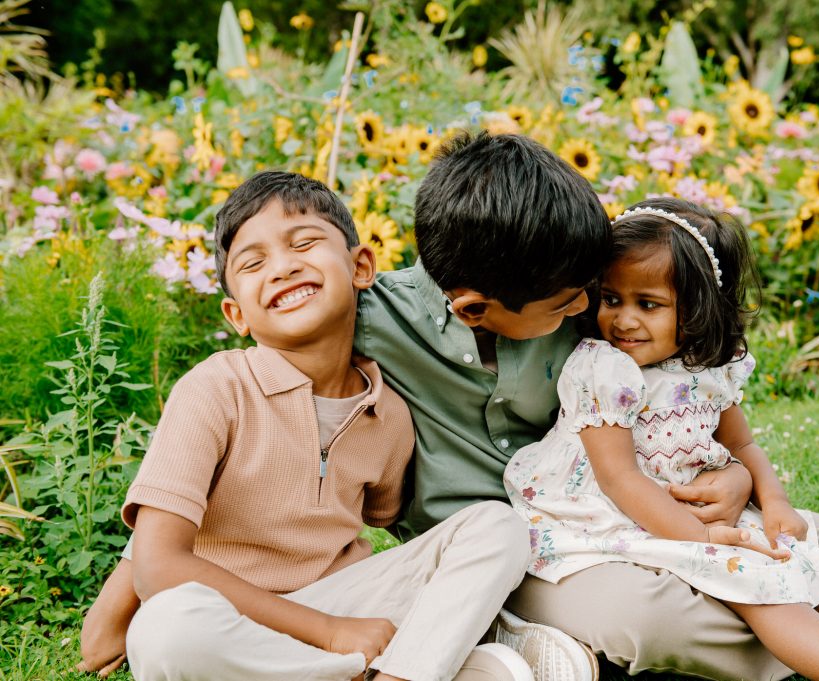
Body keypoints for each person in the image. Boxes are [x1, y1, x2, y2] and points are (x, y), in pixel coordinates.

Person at [80, 134, 819, 680]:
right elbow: (254, 392)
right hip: (514, 550)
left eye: (594, 294)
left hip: (620, 517)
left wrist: (734, 476)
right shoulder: (361, 320)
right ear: (473, 304)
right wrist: (137, 579)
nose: (591, 312)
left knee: (795, 535)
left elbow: (678, 394)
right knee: (658, 623)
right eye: (570, 304)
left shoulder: (574, 301)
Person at [504, 197, 819, 680]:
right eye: (612, 299)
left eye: (649, 303)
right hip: (601, 514)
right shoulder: (603, 368)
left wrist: (774, 504)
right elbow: (618, 479)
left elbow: (743, 447)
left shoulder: (709, 368)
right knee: (758, 589)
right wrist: (702, 539)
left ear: (698, 308)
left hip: (687, 511)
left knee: (800, 559)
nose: (624, 319)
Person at [80, 170, 536, 681]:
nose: (283, 268)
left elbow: (386, 516)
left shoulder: (389, 415)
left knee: (497, 527)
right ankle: (422, 664)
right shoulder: (216, 388)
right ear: (237, 315)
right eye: (253, 263)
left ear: (361, 266)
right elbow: (158, 566)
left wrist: (343, 621)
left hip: (339, 601)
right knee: (167, 629)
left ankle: (398, 671)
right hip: (229, 612)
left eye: (305, 243)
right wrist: (328, 632)